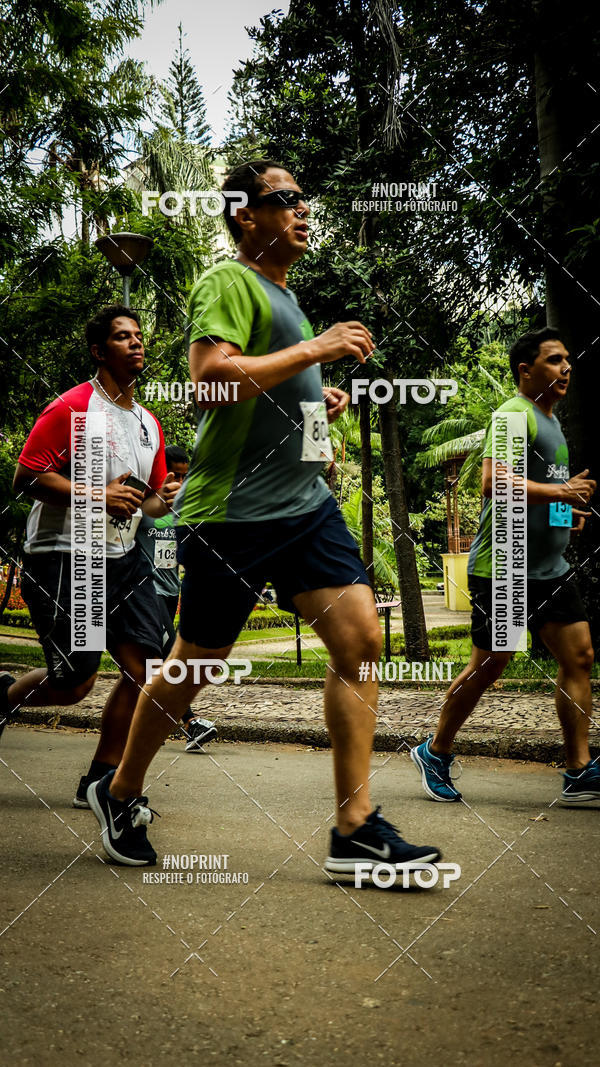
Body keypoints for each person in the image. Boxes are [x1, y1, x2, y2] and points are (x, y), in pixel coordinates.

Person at [87, 158, 442, 871]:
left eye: (305, 199)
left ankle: (355, 826)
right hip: (233, 514)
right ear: (245, 214)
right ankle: (121, 789)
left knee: (360, 638)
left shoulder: (287, 296)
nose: (303, 210)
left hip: (306, 509)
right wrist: (317, 348)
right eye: (286, 200)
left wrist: (318, 400)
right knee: (197, 668)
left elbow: (270, 385)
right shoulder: (230, 280)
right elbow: (211, 381)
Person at [0, 305, 179, 812]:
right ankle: (5, 697)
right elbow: (28, 476)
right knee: (75, 683)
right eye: (124, 338)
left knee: (150, 673)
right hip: (65, 557)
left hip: (122, 560)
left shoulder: (148, 424)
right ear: (100, 351)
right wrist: (94, 494)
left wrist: (169, 496)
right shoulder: (73, 408)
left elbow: (147, 501)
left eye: (139, 336)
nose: (137, 344)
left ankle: (102, 780)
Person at [411, 327, 600, 804]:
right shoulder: (514, 414)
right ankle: (435, 750)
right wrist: (561, 493)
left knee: (579, 657)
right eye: (555, 360)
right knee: (490, 665)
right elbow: (494, 482)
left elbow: (539, 492)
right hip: (506, 566)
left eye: (568, 360)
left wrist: (565, 515)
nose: (566, 368)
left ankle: (578, 770)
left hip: (549, 567)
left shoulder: (551, 424)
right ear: (526, 370)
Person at [135, 444, 217, 750]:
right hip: (146, 591)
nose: (179, 483)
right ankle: (191, 724)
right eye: (174, 476)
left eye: (185, 476)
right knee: (170, 658)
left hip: (171, 593)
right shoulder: (144, 506)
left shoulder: (184, 509)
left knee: (146, 665)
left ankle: (136, 721)